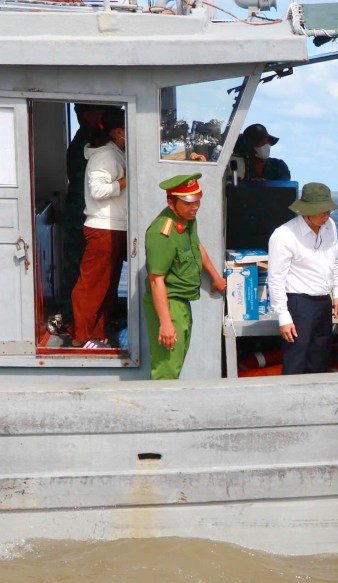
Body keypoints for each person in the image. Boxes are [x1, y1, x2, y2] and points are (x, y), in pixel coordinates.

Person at [143, 174, 227, 380]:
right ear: (171, 203)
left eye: (197, 200)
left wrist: (215, 276)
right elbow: (156, 280)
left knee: (177, 360)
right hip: (168, 303)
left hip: (182, 302)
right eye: (189, 202)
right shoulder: (162, 233)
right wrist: (165, 322)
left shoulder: (187, 219)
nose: (195, 207)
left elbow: (196, 246)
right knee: (166, 369)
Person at [267, 182, 338, 374]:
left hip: (323, 301)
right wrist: (283, 316)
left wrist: (337, 292)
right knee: (296, 358)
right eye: (321, 211)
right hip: (298, 303)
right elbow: (276, 278)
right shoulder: (284, 235)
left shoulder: (330, 226)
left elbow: (334, 260)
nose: (326, 215)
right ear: (306, 210)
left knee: (320, 357)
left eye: (328, 210)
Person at [70, 106, 128, 350]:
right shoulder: (105, 155)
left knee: (106, 285)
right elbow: (98, 190)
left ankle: (96, 332)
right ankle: (81, 336)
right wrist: (127, 181)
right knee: (92, 285)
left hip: (113, 227)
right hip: (103, 227)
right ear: (117, 132)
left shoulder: (115, 152)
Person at [60, 103, 108, 315]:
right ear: (88, 114)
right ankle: (73, 317)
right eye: (100, 111)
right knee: (79, 270)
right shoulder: (87, 142)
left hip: (83, 212)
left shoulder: (92, 137)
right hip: (79, 215)